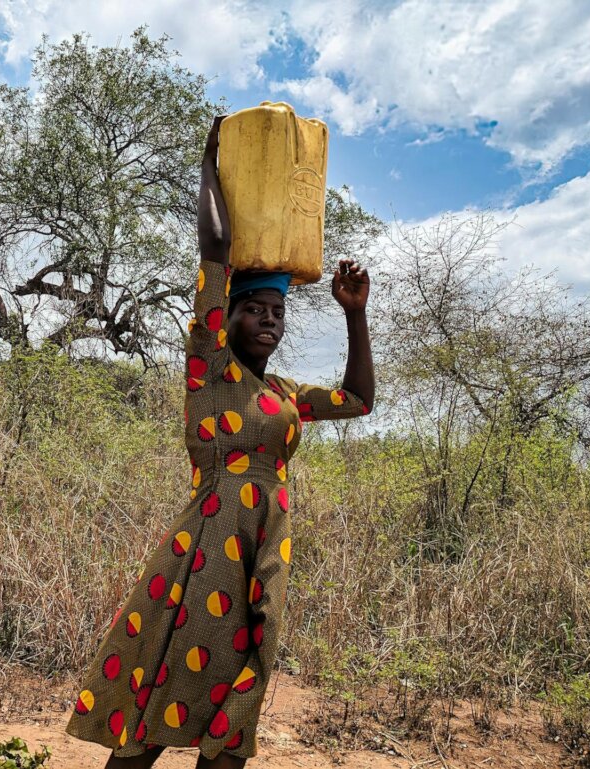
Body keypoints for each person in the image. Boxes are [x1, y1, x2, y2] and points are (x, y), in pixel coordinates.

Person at [64, 115, 375, 767]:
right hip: (206, 551)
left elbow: (358, 400)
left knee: (239, 695)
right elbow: (214, 249)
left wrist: (355, 315)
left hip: (261, 553)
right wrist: (211, 165)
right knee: (164, 686)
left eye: (278, 312)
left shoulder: (286, 395)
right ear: (226, 316)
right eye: (255, 309)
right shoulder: (209, 368)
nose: (269, 320)